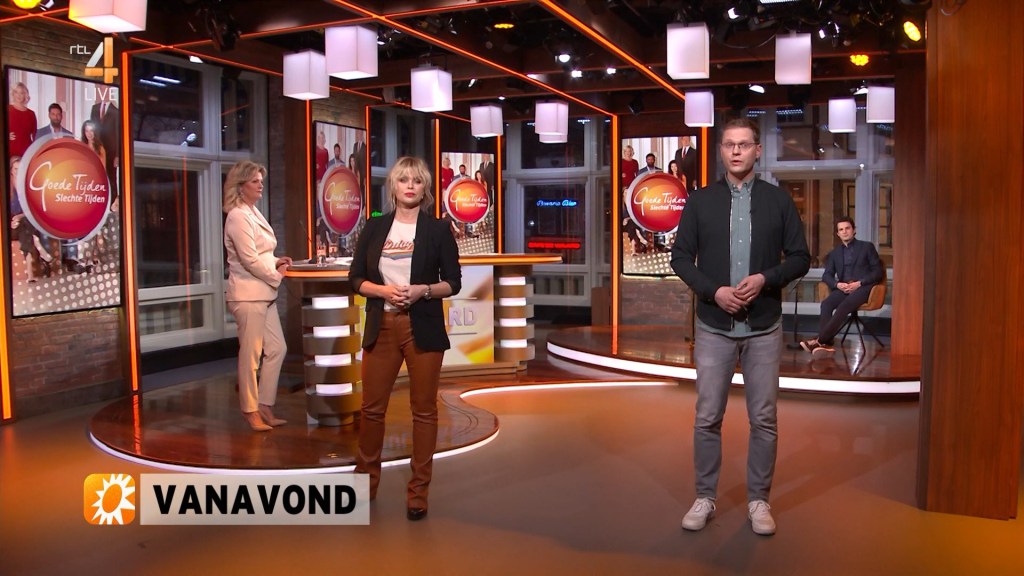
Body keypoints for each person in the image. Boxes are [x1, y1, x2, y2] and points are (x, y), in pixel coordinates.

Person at [670, 118, 810, 536]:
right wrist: (714, 292)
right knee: (707, 417)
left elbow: (800, 257)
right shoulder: (700, 201)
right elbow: (680, 258)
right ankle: (705, 496)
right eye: (729, 144)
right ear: (721, 152)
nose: (736, 151)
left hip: (764, 327)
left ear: (757, 151)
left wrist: (766, 278)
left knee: (764, 419)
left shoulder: (778, 201)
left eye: (744, 144)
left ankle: (758, 501)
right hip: (714, 325)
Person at [349, 156, 462, 522]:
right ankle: (364, 486)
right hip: (381, 326)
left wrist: (422, 290)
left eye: (416, 180)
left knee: (424, 411)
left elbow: (453, 282)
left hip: (422, 327)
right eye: (403, 180)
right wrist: (383, 291)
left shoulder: (438, 229)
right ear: (393, 187)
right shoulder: (374, 227)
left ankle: (418, 493)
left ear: (424, 188)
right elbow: (355, 279)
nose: (410, 186)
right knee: (372, 410)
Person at [222, 160, 293, 432]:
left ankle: (264, 404)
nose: (260, 185)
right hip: (248, 295)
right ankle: (249, 409)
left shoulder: (253, 211)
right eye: (255, 181)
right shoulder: (237, 216)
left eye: (261, 180)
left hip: (264, 294)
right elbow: (249, 260)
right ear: (241, 186)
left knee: (277, 349)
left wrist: (276, 261)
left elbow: (261, 253)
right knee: (251, 356)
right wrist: (277, 274)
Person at [800, 217, 884, 356]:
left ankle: (820, 341)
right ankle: (827, 342)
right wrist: (837, 284)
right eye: (841, 230)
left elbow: (877, 272)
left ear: (854, 230)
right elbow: (827, 275)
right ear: (838, 234)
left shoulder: (866, 247)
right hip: (844, 288)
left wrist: (859, 283)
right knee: (826, 304)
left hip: (863, 287)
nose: (844, 232)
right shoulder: (835, 253)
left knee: (843, 306)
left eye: (847, 228)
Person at [7, 82, 36, 159]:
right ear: (13, 94)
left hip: (27, 151)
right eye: (16, 92)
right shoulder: (7, 109)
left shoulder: (31, 114)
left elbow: (35, 136)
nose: (19, 95)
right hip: (11, 150)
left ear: (25, 95)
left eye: (22, 93)